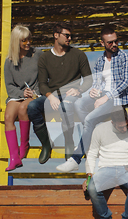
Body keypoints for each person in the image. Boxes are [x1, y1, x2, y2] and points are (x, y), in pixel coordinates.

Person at [56, 27, 128, 172]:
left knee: (90, 119)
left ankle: (76, 158)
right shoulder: (99, 61)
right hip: (102, 96)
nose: (114, 44)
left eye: (116, 41)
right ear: (102, 43)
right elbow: (98, 82)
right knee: (79, 103)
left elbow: (126, 82)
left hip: (117, 99)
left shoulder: (126, 57)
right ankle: (93, 137)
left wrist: (106, 97)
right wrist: (94, 91)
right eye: (110, 42)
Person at [27, 23, 93, 164]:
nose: (70, 38)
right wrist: (50, 96)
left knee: (66, 106)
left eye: (71, 35)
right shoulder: (45, 58)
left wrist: (79, 90)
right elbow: (42, 83)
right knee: (32, 107)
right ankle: (46, 144)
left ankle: (69, 141)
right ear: (56, 35)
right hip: (53, 96)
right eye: (66, 35)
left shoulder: (79, 55)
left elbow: (89, 80)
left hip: (72, 96)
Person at [3, 25, 42, 171]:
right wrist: (21, 93)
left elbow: (45, 75)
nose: (28, 43)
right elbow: (9, 87)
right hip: (17, 95)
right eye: (24, 40)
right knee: (8, 116)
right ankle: (14, 158)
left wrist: (35, 92)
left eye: (29, 39)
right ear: (16, 42)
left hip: (34, 94)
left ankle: (24, 144)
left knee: (23, 108)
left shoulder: (37, 54)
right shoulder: (9, 61)